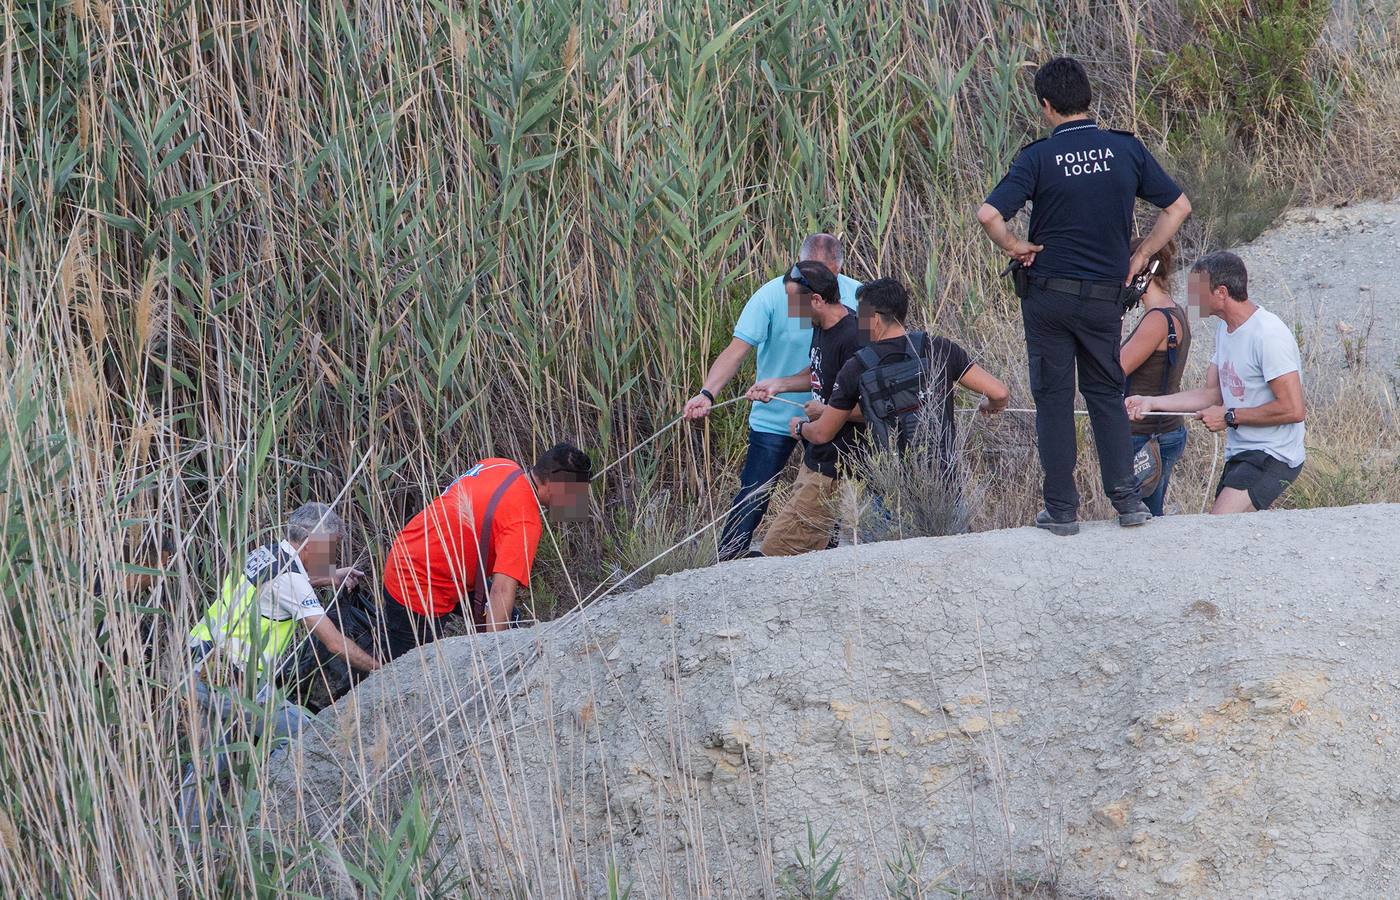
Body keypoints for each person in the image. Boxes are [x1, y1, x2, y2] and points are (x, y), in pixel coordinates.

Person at [976, 56, 1193, 536]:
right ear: (1089, 98)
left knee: (1053, 398)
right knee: (1106, 393)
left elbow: (989, 214)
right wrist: (1145, 255)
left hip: (1048, 296)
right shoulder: (1124, 149)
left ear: (1046, 105)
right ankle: (1127, 501)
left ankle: (1062, 509)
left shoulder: (1036, 157)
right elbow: (1178, 206)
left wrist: (1016, 246)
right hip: (1103, 298)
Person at [180, 502, 380, 824]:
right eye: (333, 548)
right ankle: (279, 818)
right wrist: (379, 667)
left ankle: (186, 840)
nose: (334, 556)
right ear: (316, 544)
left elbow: (283, 587)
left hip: (201, 666)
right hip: (234, 682)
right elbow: (331, 640)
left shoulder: (267, 554)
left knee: (208, 763)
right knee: (310, 734)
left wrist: (331, 577)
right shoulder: (291, 579)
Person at [682, 234, 861, 560]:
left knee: (826, 494)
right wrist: (707, 393)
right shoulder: (772, 295)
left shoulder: (852, 299)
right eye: (811, 275)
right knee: (753, 493)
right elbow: (737, 351)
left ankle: (827, 562)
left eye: (829, 277)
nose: (821, 286)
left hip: (832, 418)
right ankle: (728, 564)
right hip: (776, 416)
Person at [793, 276, 1010, 494]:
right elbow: (999, 392)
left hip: (889, 489)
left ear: (874, 319)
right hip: (943, 482)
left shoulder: (856, 367)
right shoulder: (939, 348)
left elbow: (822, 434)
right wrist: (988, 405)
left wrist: (800, 428)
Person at [1127, 251, 1306, 514]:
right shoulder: (1225, 329)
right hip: (1241, 452)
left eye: (1197, 291)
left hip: (1274, 454)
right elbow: (1211, 394)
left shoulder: (1268, 335)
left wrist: (1230, 416)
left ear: (1221, 292)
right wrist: (1150, 402)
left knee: (1219, 523)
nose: (1190, 298)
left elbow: (1294, 410)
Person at [379, 443, 591, 659]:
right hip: (417, 584)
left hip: (413, 550)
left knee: (510, 620)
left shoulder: (500, 465)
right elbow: (501, 590)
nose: (576, 503)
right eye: (575, 493)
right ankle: (364, 675)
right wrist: (494, 660)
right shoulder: (525, 521)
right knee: (414, 669)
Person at [743, 261, 865, 557]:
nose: (789, 310)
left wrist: (825, 411)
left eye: (793, 302)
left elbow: (872, 408)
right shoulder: (820, 326)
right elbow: (817, 370)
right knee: (813, 553)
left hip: (838, 465)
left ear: (816, 300)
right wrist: (777, 385)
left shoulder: (855, 335)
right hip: (815, 458)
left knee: (775, 550)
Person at [1119, 238, 1192, 516]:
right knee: (1151, 512)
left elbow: (1114, 370)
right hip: (1164, 429)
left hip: (1147, 434)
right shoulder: (1174, 311)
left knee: (1141, 518)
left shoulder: (1157, 319)